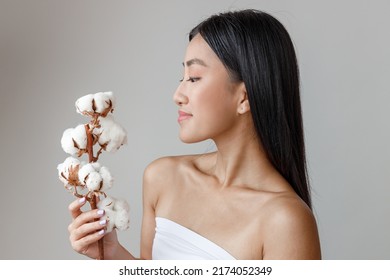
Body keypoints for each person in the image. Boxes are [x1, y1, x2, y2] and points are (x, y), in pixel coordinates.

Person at [67, 9, 321, 260]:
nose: (177, 95)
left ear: (244, 97)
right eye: (183, 77)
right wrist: (112, 254)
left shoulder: (285, 221)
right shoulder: (163, 178)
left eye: (194, 78)